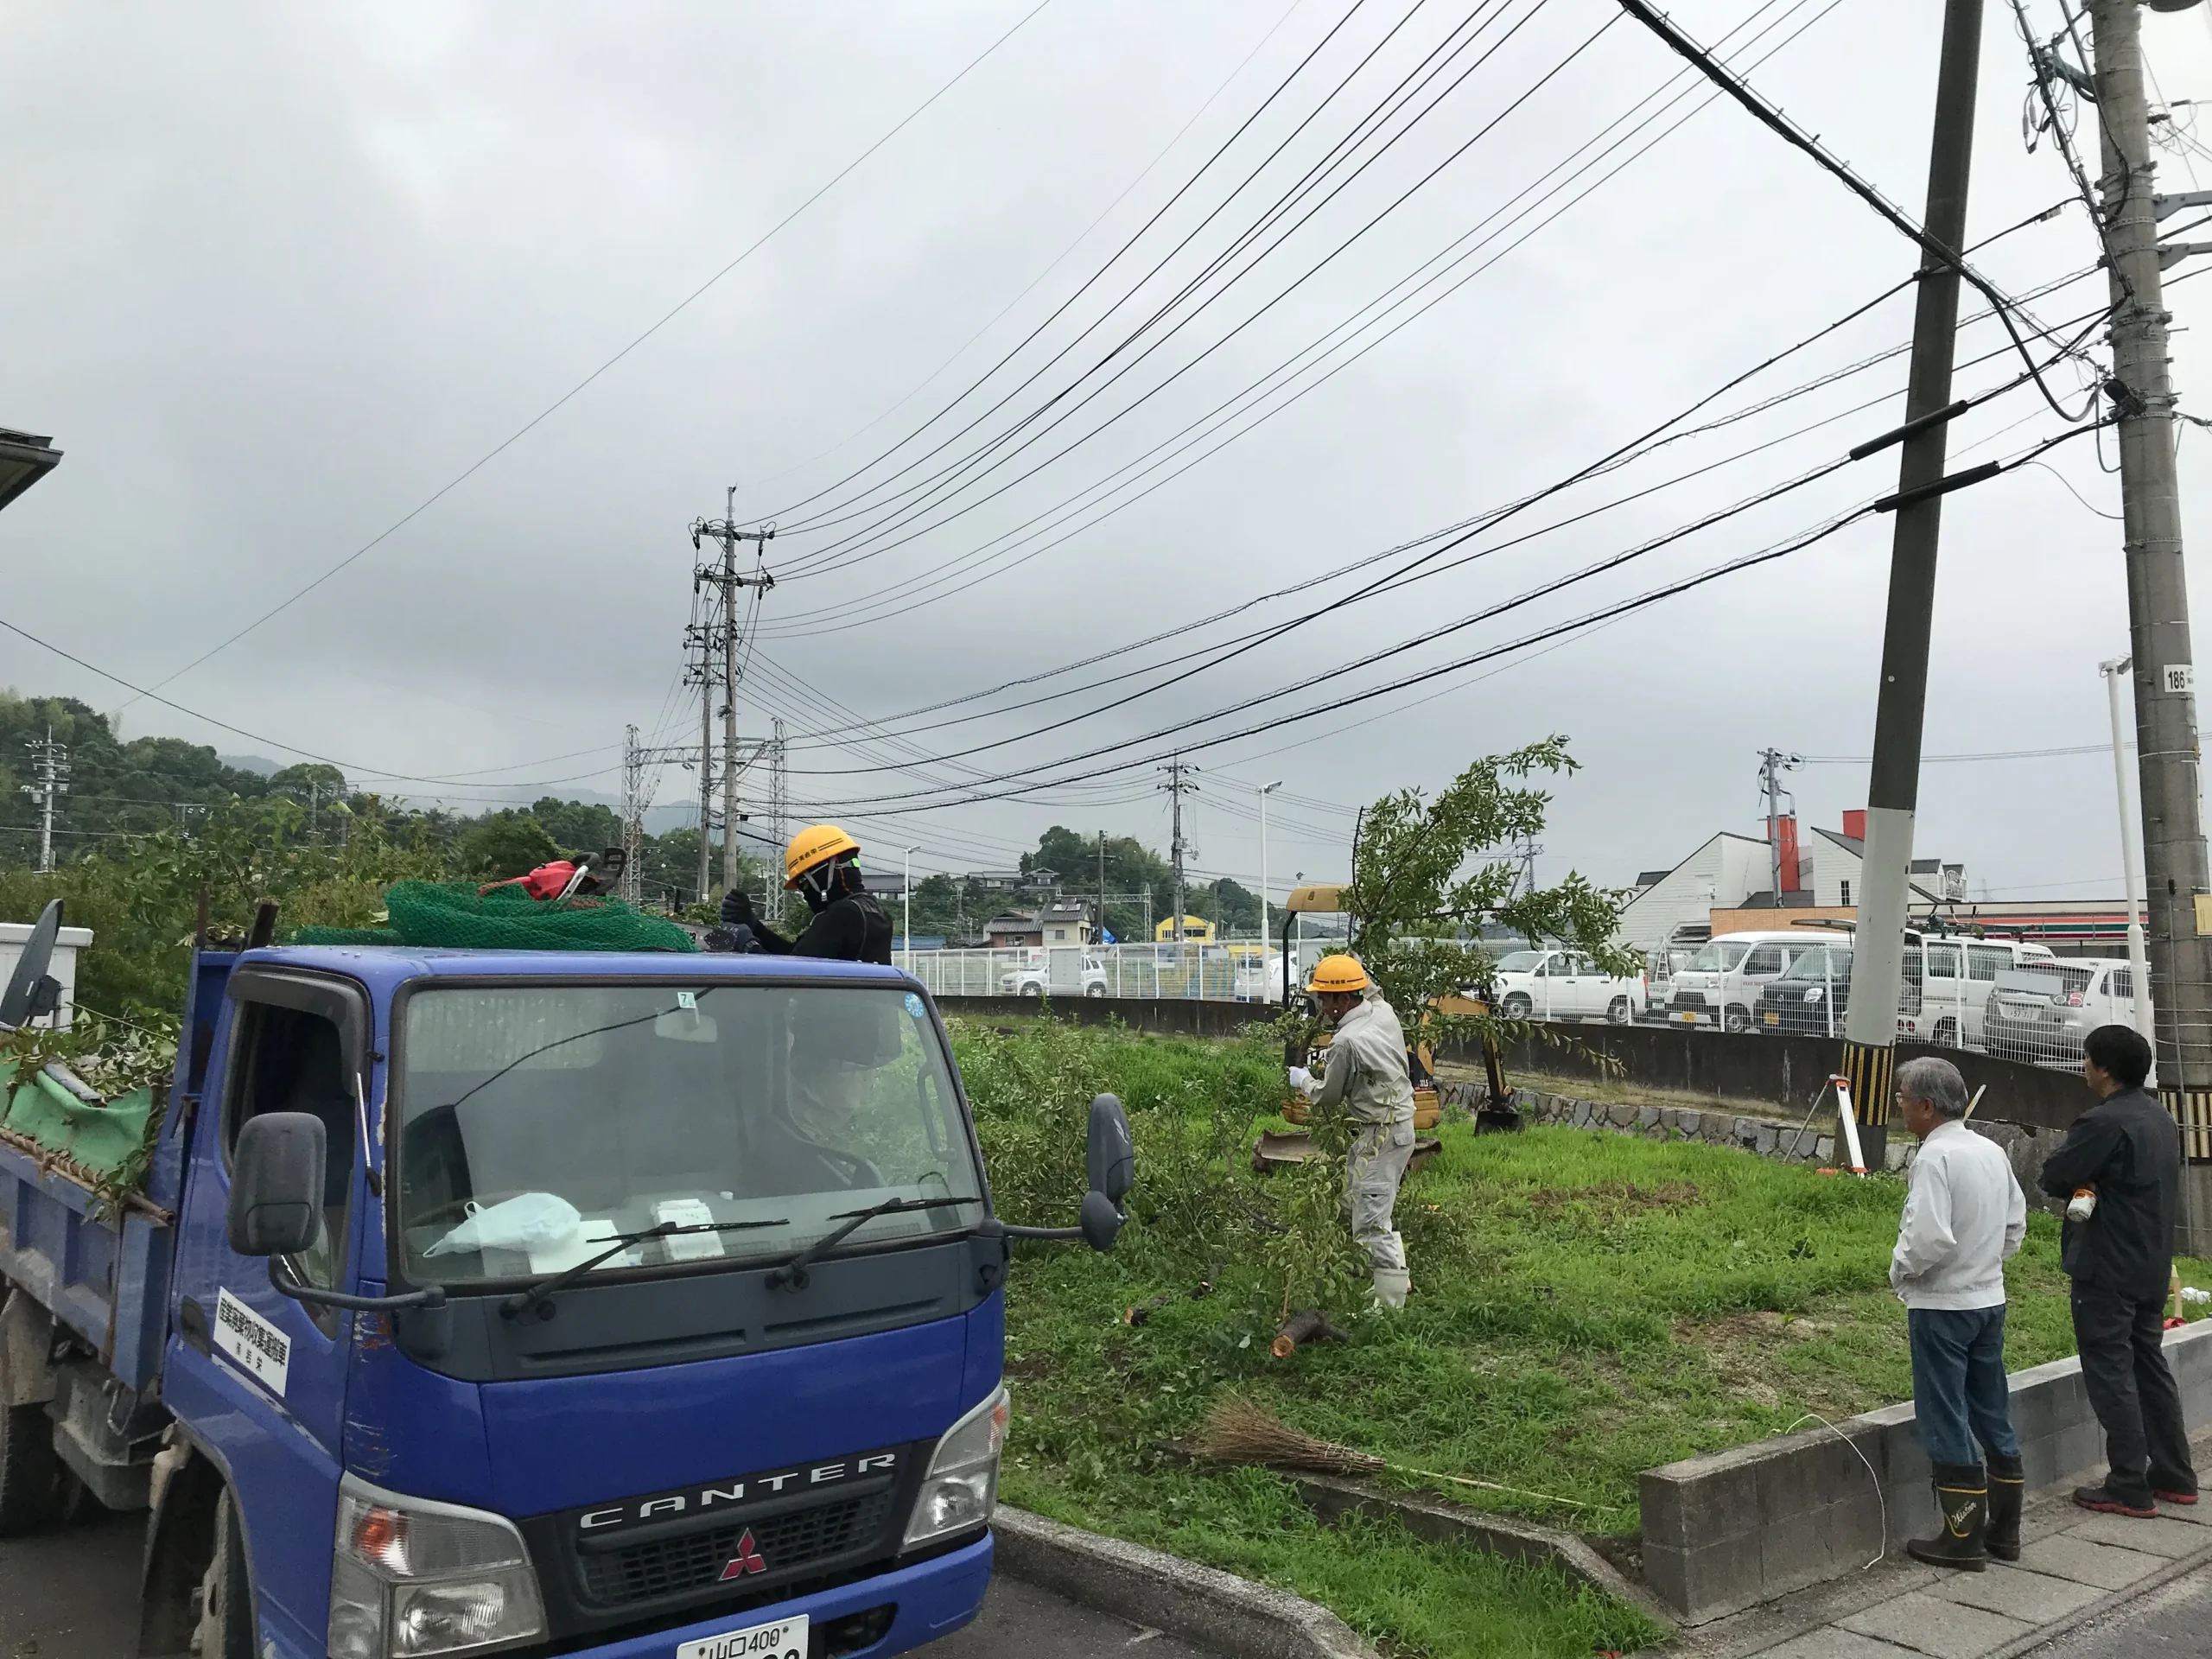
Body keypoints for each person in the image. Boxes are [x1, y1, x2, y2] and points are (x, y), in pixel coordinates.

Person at [2039, 1023, 2200, 1516]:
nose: (2083, 1067)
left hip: (2106, 1264)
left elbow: (2054, 1176)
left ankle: (2129, 1481)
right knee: (2148, 1366)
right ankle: (2174, 1473)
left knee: (2111, 1371)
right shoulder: (2159, 1119)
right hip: (2150, 1262)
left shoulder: (2103, 1122)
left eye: (2087, 1059)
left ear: (2103, 1068)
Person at [1889, 1056, 2029, 1570]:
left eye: (1902, 1099)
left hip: (1942, 1304)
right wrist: (1986, 1263)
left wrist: (1900, 1273)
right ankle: (2005, 1531)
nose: (1900, 1108)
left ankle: (1962, 1536)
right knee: (1991, 1406)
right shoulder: (1991, 1150)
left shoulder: (1934, 1158)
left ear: (1926, 1106)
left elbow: (1927, 1237)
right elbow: (2016, 1224)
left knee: (1944, 1410)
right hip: (1988, 1299)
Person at [1287, 955, 1415, 1309]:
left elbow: (1328, 1097)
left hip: (1383, 1133)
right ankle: (1392, 1279)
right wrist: (1348, 965)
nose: (1322, 1007)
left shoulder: (1345, 1042)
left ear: (1343, 1000)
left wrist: (1304, 1081)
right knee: (1357, 1201)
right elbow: (1369, 988)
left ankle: (1389, 1310)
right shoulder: (1381, 1009)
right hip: (1388, 1129)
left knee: (1372, 1221)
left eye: (1325, 999)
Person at [717, 823, 893, 965]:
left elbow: (792, 972)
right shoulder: (875, 911)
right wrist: (755, 926)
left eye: (804, 885)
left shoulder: (843, 914)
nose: (805, 894)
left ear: (822, 875)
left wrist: (748, 945)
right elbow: (797, 955)